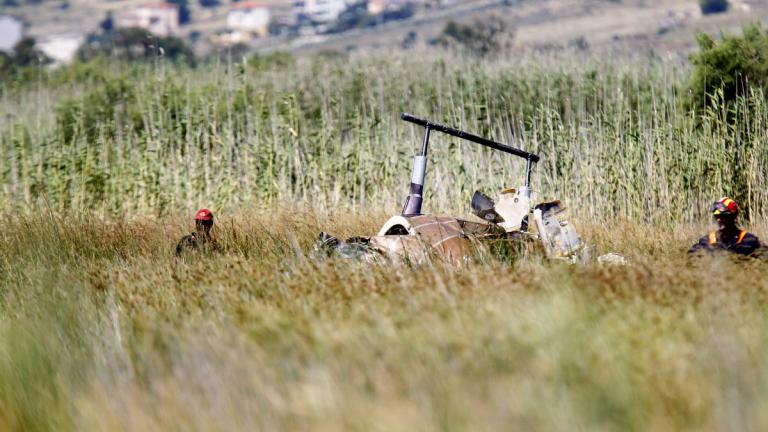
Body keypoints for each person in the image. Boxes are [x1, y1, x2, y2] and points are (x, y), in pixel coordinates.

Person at [688, 197, 762, 258]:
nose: (719, 219)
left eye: (723, 216)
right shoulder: (708, 241)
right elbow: (688, 259)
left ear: (733, 217)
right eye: (717, 216)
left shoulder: (748, 240)